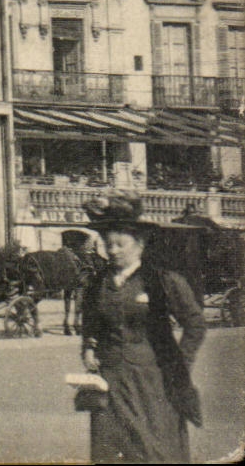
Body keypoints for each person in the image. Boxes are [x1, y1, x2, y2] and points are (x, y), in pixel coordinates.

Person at [79, 195, 206, 463]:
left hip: (152, 383)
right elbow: (91, 322)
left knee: (153, 449)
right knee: (108, 452)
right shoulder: (97, 284)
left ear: (140, 244)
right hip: (110, 381)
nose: (112, 251)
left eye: (119, 244)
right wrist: (89, 349)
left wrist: (180, 361)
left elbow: (195, 324)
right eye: (107, 244)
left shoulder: (162, 281)